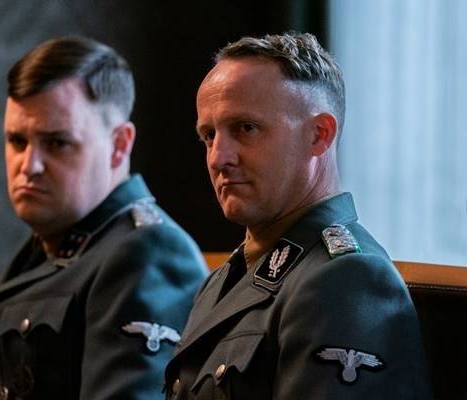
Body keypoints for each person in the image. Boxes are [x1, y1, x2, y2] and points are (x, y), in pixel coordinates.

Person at [164, 32, 431, 399]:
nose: (218, 157)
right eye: (209, 135)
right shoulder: (226, 278)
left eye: (245, 128)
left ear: (319, 135)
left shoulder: (346, 279)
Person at [0, 36, 207, 400]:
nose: (29, 166)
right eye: (17, 141)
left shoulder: (148, 252)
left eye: (57, 143)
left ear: (119, 145)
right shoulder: (43, 250)